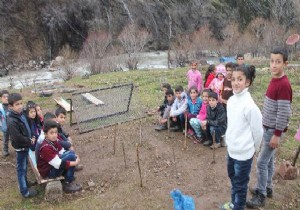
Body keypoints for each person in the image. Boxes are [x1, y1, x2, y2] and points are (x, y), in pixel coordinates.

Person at [246, 48, 293, 208]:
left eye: (278, 62)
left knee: (261, 162)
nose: (274, 65)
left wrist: (277, 135)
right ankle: (268, 187)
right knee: (270, 161)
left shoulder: (284, 84)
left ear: (285, 64)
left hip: (274, 131)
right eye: (272, 61)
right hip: (268, 128)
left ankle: (261, 195)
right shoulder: (274, 80)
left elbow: (284, 112)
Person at [221, 65, 263, 210]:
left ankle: (238, 207)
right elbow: (232, 124)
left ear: (247, 82)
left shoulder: (250, 106)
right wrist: (228, 140)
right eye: (233, 79)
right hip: (231, 150)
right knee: (233, 179)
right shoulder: (232, 101)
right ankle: (233, 203)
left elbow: (258, 132)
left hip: (244, 155)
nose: (235, 82)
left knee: (240, 184)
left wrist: (253, 150)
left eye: (240, 79)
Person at [37, 120, 82, 193]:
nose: (54, 135)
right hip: (48, 172)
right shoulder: (45, 147)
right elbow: (59, 164)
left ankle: (67, 175)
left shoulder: (53, 140)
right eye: (51, 133)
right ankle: (68, 183)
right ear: (45, 134)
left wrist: (74, 155)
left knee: (71, 154)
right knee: (71, 157)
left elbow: (62, 151)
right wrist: (74, 162)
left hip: (52, 165)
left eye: (56, 132)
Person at [7, 93, 37, 198]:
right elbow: (17, 138)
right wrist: (29, 141)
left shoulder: (20, 114)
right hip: (21, 147)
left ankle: (26, 182)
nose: (20, 106)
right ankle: (25, 192)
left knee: (24, 167)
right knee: (21, 169)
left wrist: (32, 136)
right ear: (10, 106)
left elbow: (27, 126)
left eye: (21, 103)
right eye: (17, 104)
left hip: (26, 145)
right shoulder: (12, 121)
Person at [0, 90, 10, 156]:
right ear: (1, 98)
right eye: (4, 97)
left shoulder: (11, 105)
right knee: (5, 139)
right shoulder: (0, 107)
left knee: (14, 138)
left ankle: (17, 149)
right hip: (5, 126)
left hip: (12, 126)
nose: (6, 98)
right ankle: (5, 150)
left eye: (7, 96)